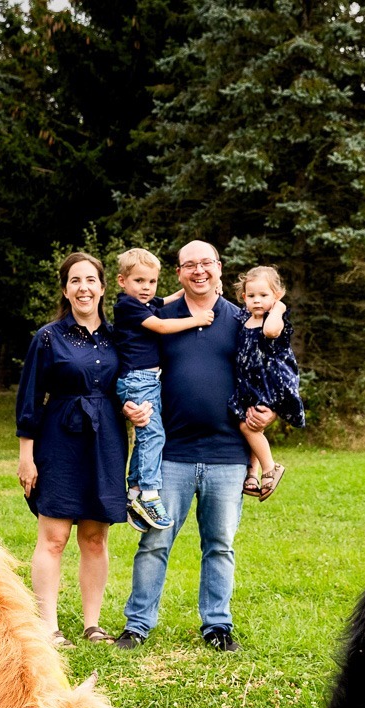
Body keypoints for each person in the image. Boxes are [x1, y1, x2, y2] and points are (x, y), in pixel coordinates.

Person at [115, 240, 276, 653]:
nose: (199, 270)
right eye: (190, 265)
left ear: (219, 267)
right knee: (154, 542)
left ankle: (217, 625)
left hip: (227, 454)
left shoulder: (242, 320)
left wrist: (269, 412)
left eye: (206, 263)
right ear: (179, 272)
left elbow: (266, 373)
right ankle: (138, 624)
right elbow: (128, 365)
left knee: (220, 545)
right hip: (171, 454)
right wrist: (129, 405)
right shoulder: (158, 316)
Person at [16, 252, 139, 648]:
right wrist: (26, 455)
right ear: (65, 290)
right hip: (60, 440)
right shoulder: (48, 337)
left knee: (95, 537)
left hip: (106, 441)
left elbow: (133, 382)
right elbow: (30, 398)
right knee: (54, 537)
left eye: (90, 280)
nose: (83, 288)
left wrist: (134, 407)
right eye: (75, 281)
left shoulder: (119, 337)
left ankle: (92, 625)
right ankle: (47, 627)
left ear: (103, 288)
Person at [112, 247, 216, 532]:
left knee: (148, 436)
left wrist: (195, 286)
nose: (146, 287)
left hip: (148, 379)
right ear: (122, 281)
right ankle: (149, 494)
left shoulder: (144, 301)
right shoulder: (128, 306)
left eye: (152, 281)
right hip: (137, 379)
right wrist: (197, 320)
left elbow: (168, 299)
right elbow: (159, 325)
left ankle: (134, 492)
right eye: (139, 281)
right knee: (153, 435)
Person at [231, 265, 305, 501]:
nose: (257, 300)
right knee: (252, 426)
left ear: (276, 295)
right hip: (249, 383)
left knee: (248, 427)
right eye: (251, 295)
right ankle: (251, 473)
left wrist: (278, 308)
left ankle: (270, 467)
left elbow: (271, 332)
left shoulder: (275, 319)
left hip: (269, 383)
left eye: (264, 295)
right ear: (244, 297)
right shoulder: (244, 319)